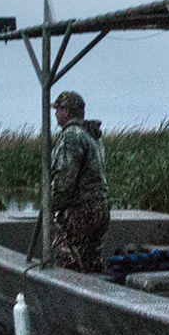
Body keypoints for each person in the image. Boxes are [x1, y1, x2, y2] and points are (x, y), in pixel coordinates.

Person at [47, 89, 109, 273]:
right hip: (101, 208)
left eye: (57, 109)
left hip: (81, 211)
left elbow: (65, 180)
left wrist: (51, 205)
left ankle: (67, 297)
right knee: (91, 258)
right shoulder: (92, 134)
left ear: (66, 111)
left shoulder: (72, 135)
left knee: (66, 256)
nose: (55, 114)